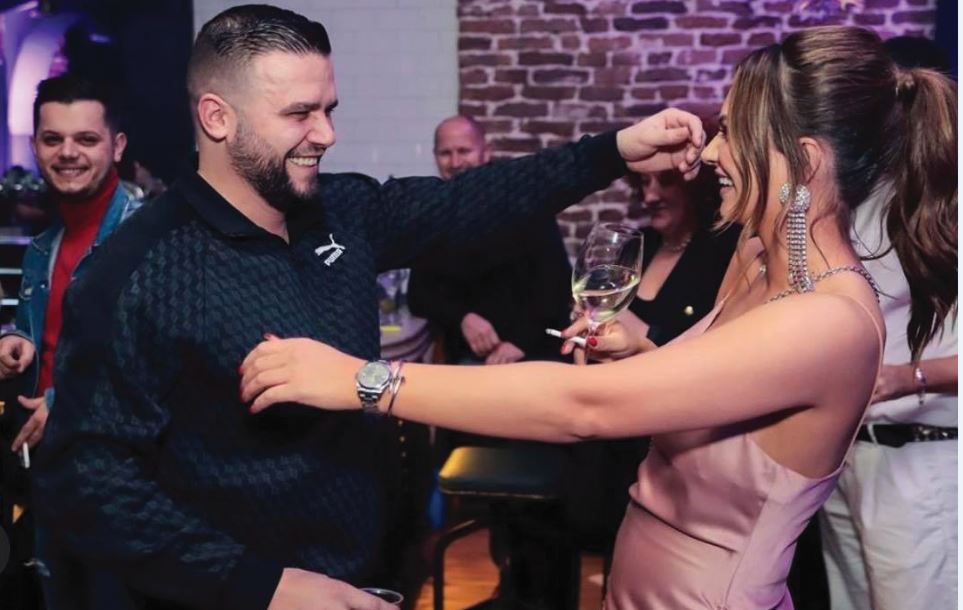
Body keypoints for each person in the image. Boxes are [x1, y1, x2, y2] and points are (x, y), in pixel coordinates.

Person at [239, 26, 957, 610]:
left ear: (802, 162)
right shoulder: (759, 258)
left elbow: (585, 407)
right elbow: (712, 391)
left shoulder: (828, 319)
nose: (710, 152)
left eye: (732, 133)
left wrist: (362, 380)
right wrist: (638, 347)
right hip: (640, 582)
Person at [32, 5, 705, 610]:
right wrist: (263, 587)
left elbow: (473, 200)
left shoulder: (343, 210)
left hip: (373, 574)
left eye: (329, 109)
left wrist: (614, 151)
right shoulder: (136, 271)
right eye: (299, 113)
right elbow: (88, 482)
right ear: (217, 117)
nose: (325, 133)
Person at [818, 35, 958, 610]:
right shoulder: (852, 195)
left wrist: (907, 378)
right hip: (848, 457)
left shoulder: (948, 204)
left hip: (926, 461)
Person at [0, 73, 141, 610]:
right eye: (52, 138)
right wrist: (17, 343)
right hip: (51, 477)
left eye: (86, 139)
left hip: (125, 486)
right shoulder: (41, 249)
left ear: (117, 146)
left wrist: (68, 401)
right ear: (36, 146)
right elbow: (46, 339)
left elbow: (161, 363)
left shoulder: (148, 239)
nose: (67, 153)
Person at [407, 115, 572, 366]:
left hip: (534, 350)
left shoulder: (524, 197)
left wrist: (519, 343)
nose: (455, 162)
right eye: (445, 153)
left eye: (464, 151)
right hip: (470, 356)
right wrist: (463, 318)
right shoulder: (432, 212)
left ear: (486, 152)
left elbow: (556, 282)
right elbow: (418, 296)